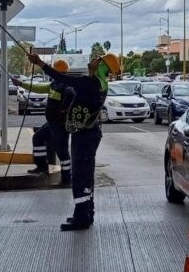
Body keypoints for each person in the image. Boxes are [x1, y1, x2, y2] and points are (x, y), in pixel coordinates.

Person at [27, 51, 120, 231]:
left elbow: (64, 78)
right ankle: (85, 213)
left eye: (98, 59)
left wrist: (40, 63)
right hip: (89, 134)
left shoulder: (90, 84)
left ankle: (82, 218)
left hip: (85, 135)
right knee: (86, 175)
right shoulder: (99, 84)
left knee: (80, 176)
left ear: (102, 66)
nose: (93, 60)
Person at [11, 59, 74, 183]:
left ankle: (67, 177)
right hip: (51, 123)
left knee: (62, 151)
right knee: (38, 138)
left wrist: (64, 109)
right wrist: (20, 83)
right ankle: (42, 167)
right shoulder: (54, 84)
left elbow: (71, 94)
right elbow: (38, 88)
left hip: (60, 125)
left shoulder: (66, 86)